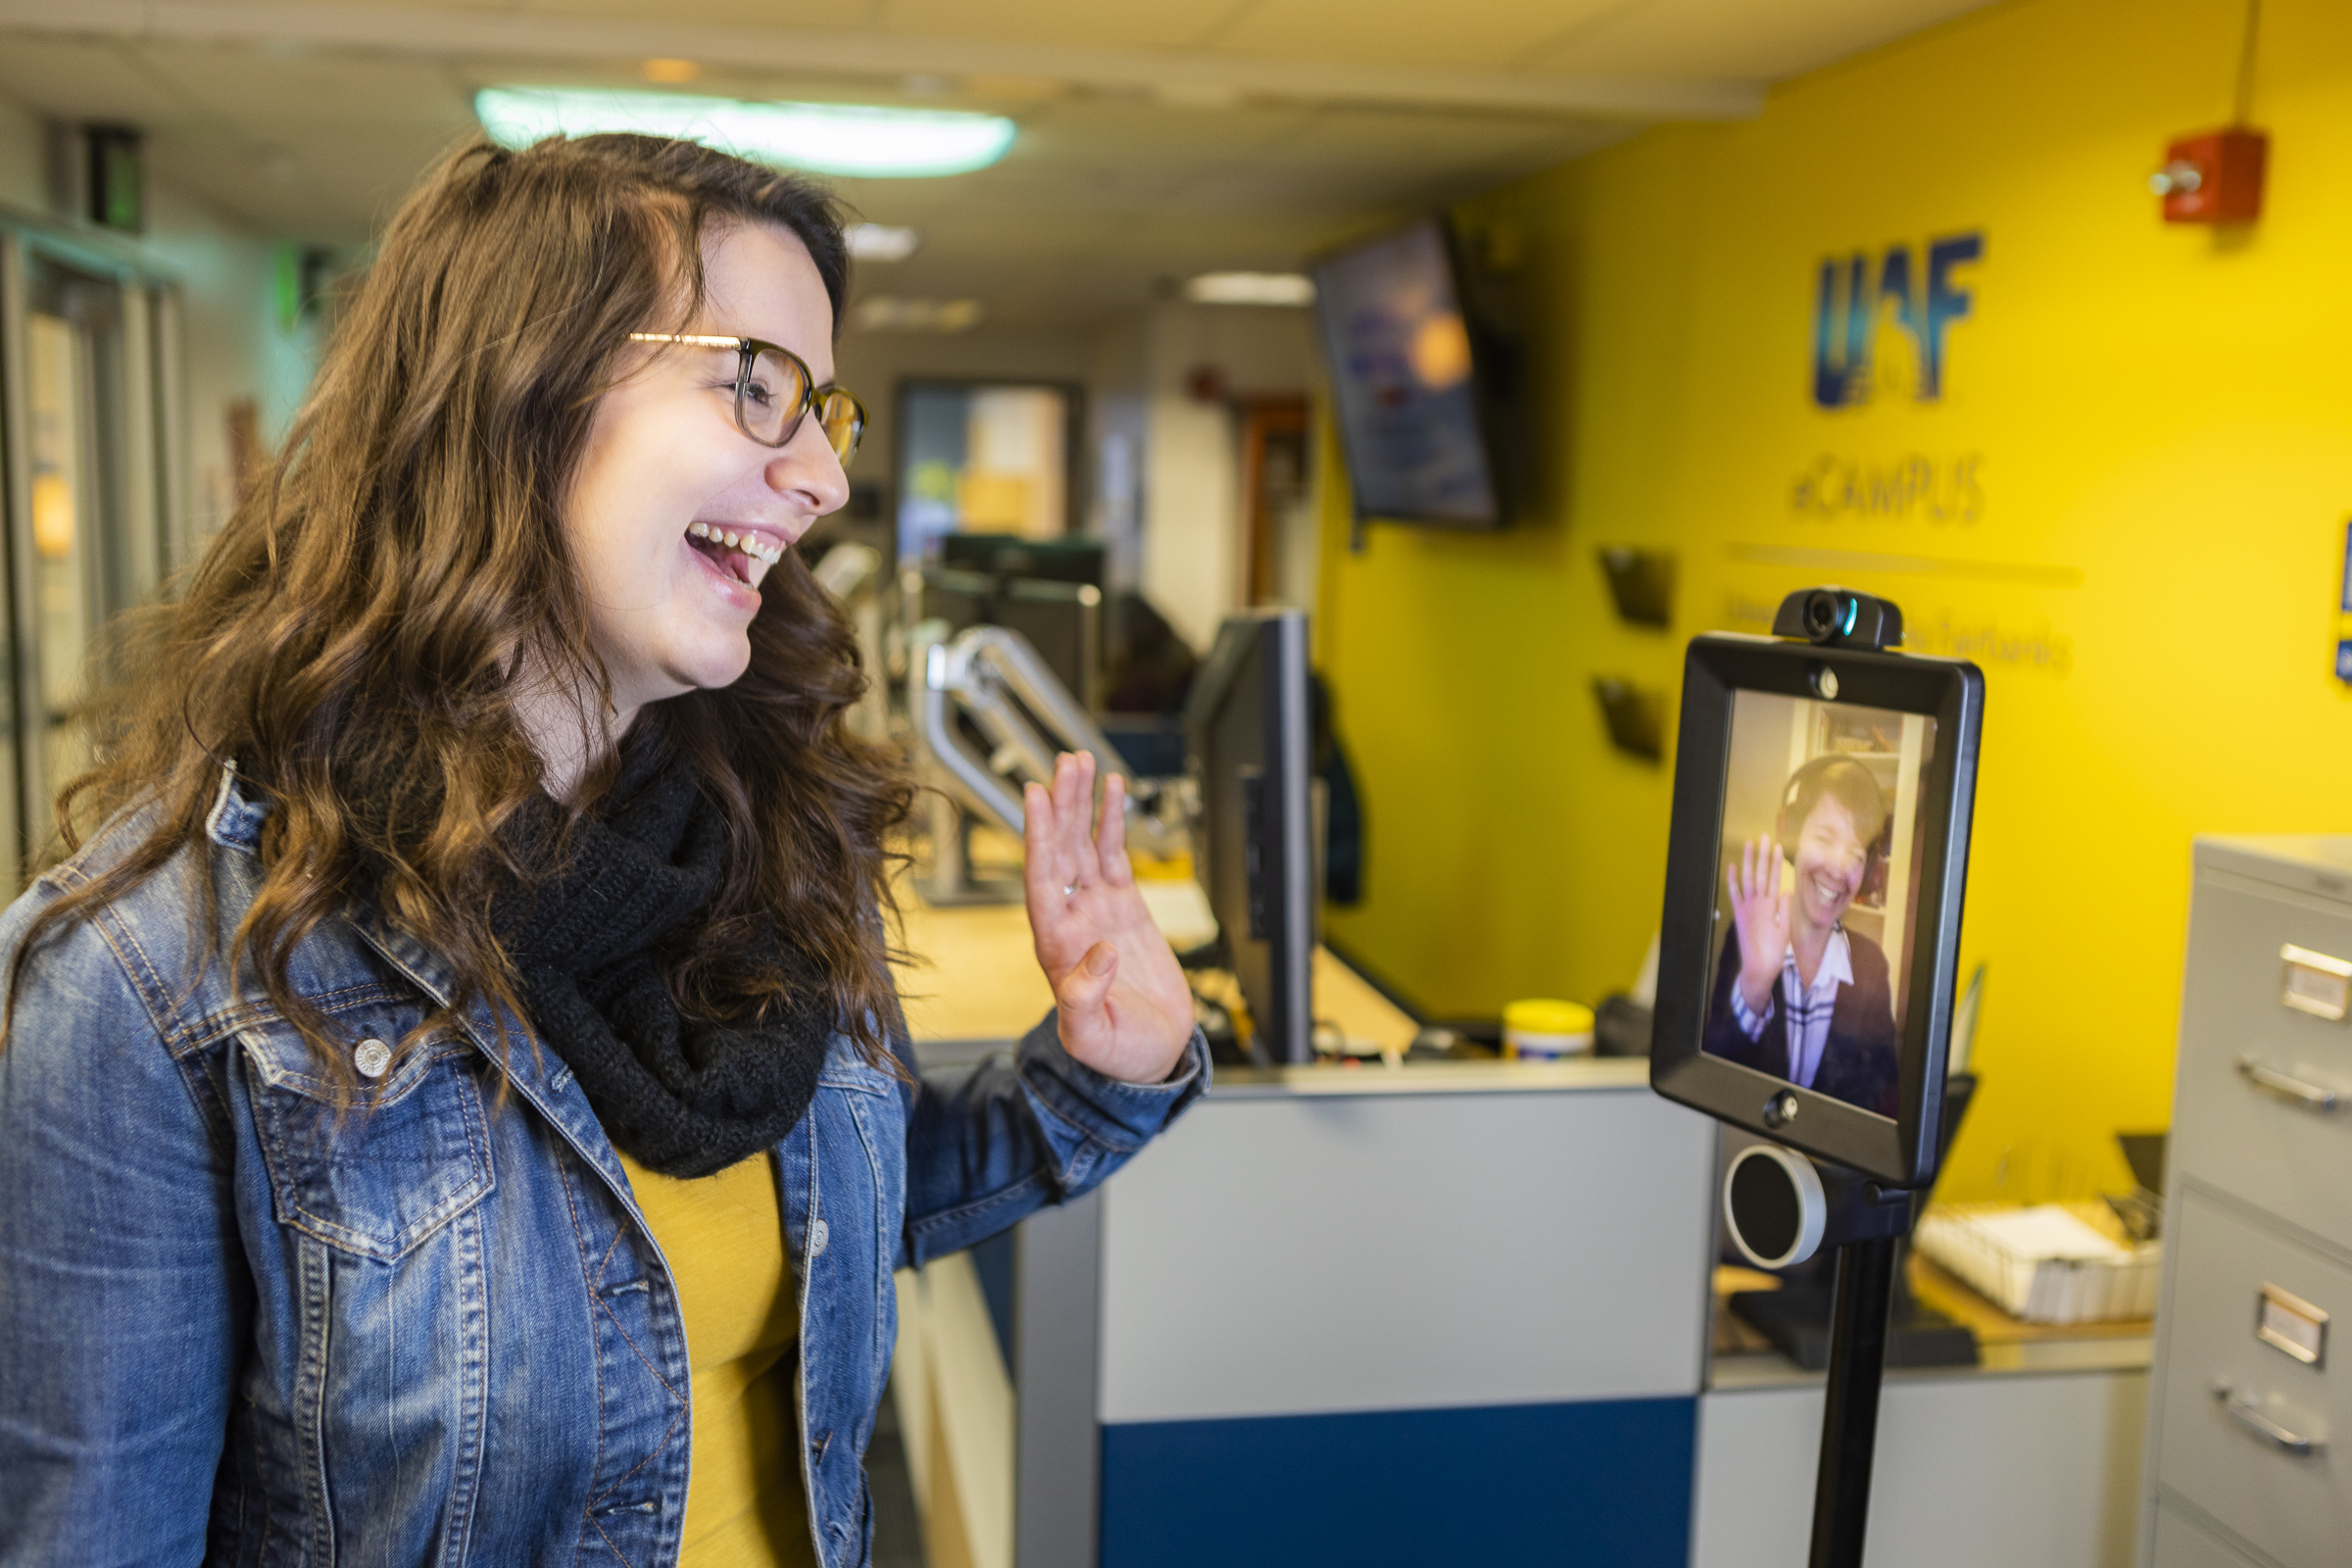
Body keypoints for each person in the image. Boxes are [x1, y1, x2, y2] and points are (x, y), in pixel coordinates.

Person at [0, 134, 1204, 1567]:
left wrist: (1096, 1080)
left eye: (825, 410)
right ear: (520, 394)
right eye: (758, 384)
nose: (825, 476)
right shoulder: (149, 983)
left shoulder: (768, 841)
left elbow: (812, 1225)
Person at [1703, 755, 1898, 1117]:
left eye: (1855, 855)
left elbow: (1885, 1102)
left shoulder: (1870, 967)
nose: (1838, 869)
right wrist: (1755, 986)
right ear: (1792, 835)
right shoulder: (1745, 938)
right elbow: (1709, 1085)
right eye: (1824, 839)